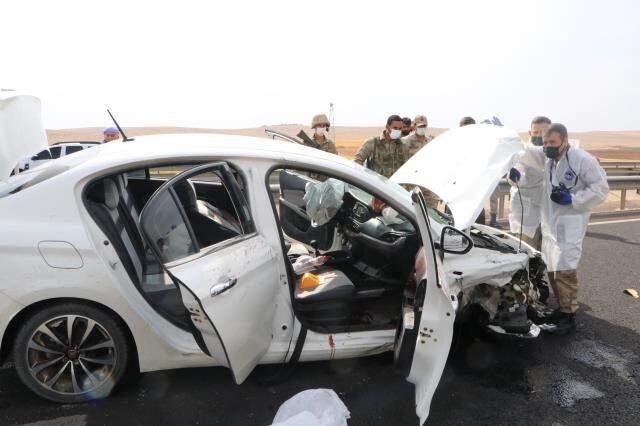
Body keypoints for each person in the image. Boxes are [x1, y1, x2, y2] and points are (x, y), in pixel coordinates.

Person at [510, 123, 608, 333]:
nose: (548, 146)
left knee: (565, 269)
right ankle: (562, 310)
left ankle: (569, 315)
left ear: (564, 140)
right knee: (553, 268)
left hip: (570, 223)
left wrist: (573, 199)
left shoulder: (582, 160)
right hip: (551, 225)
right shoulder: (547, 159)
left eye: (552, 142)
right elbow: (526, 154)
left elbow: (601, 189)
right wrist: (507, 137)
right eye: (545, 143)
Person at [508, 116, 552, 248]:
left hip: (548, 211)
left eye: (544, 132)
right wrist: (516, 177)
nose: (540, 136)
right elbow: (519, 172)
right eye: (536, 132)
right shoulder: (522, 151)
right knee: (527, 253)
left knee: (548, 256)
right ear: (530, 133)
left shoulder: (553, 150)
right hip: (526, 212)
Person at [402, 115, 439, 208]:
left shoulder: (431, 141)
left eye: (424, 126)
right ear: (414, 126)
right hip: (412, 183)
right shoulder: (405, 141)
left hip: (428, 182)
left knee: (432, 211)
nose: (422, 129)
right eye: (420, 126)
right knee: (413, 209)